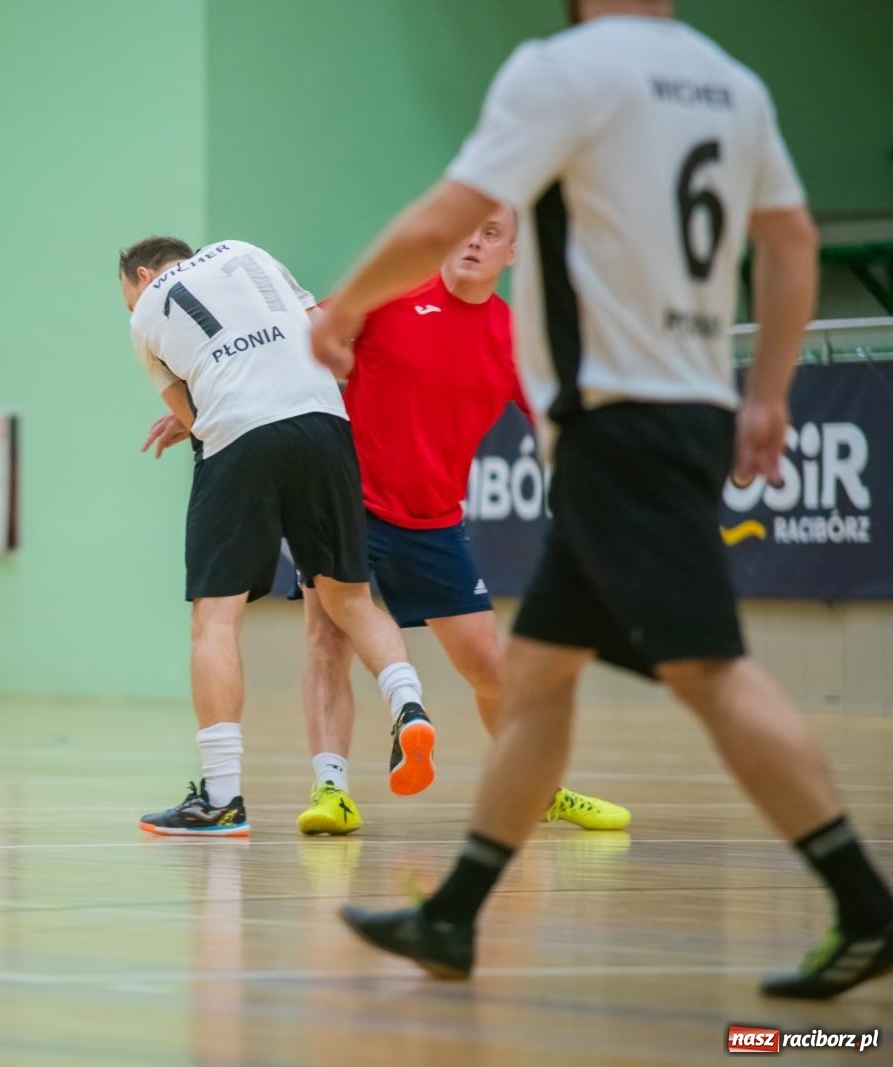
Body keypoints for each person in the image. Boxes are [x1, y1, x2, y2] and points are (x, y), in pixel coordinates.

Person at [322, 0, 893, 999]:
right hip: (676, 413)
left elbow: (445, 215)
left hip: (618, 425)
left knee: (712, 673)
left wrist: (340, 304)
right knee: (535, 679)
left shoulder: (563, 71)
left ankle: (866, 905)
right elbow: (791, 241)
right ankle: (453, 913)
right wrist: (763, 391)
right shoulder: (731, 83)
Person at [301, 204, 629, 834]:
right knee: (327, 636)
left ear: (511, 255)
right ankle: (332, 791)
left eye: (491, 235)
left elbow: (562, 427)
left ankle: (538, 788)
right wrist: (209, 404)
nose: (473, 243)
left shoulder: (513, 338)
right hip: (351, 500)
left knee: (489, 665)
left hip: (434, 520)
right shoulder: (390, 290)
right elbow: (302, 341)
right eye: (465, 230)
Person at [119, 235, 429, 836]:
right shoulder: (248, 251)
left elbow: (193, 418)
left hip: (239, 435)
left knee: (215, 619)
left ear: (140, 274)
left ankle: (222, 800)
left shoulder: (146, 313)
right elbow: (324, 333)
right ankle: (408, 703)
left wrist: (221, 407)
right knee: (349, 599)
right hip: (323, 420)